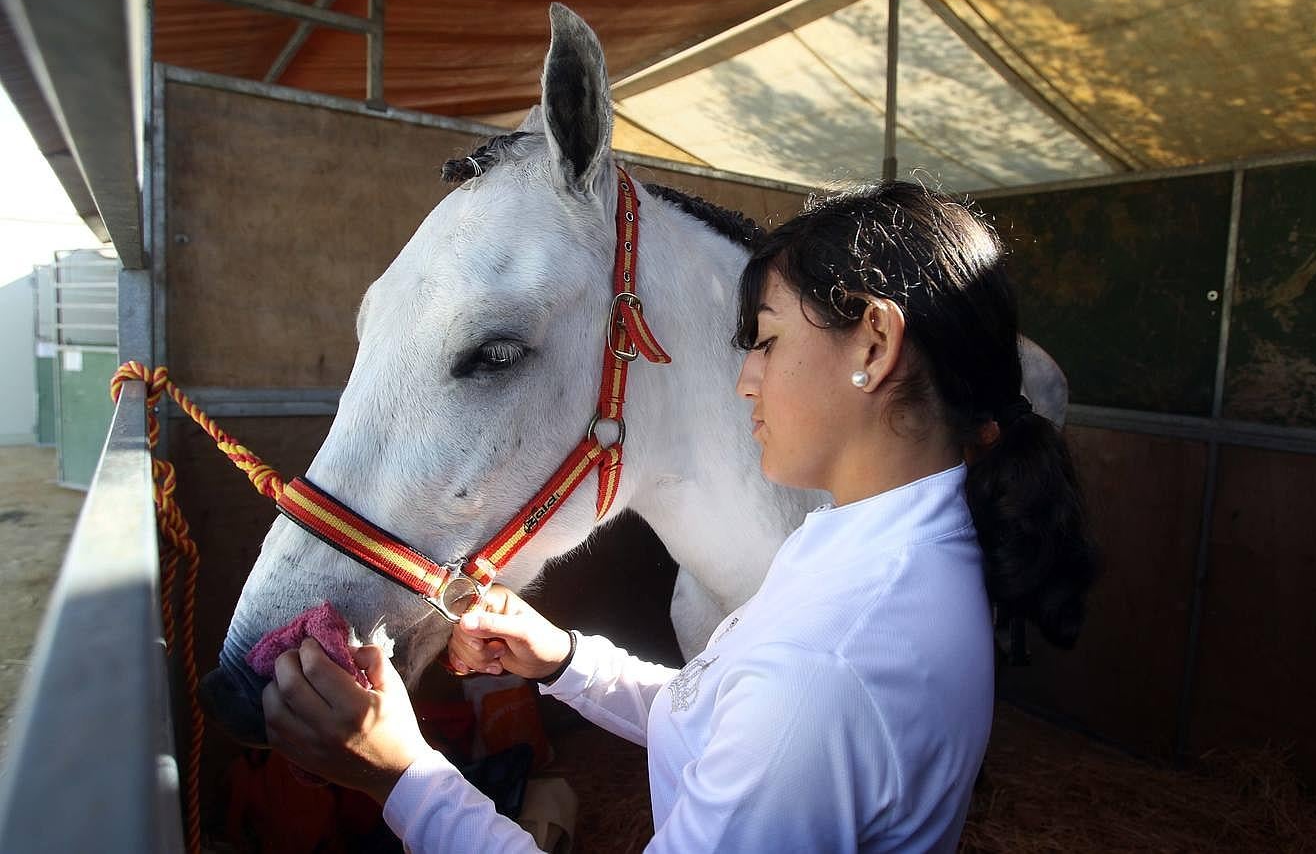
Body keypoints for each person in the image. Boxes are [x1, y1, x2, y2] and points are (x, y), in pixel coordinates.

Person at [262, 181, 1098, 852]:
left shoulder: (830, 663)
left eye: (764, 342)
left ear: (874, 347)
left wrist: (405, 781)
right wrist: (563, 661)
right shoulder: (868, 549)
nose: (745, 380)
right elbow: (733, 718)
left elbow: (784, 711)